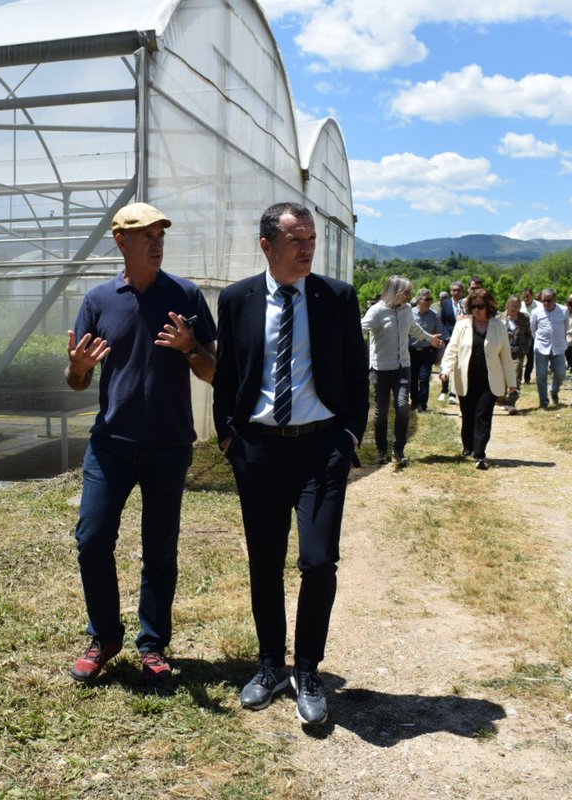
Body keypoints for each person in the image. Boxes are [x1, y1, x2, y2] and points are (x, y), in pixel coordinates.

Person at [213, 201, 368, 726]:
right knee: (265, 562)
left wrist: (348, 436)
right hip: (257, 449)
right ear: (267, 245)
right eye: (296, 240)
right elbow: (228, 376)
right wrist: (229, 438)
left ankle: (307, 669)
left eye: (311, 240)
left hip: (320, 447)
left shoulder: (336, 297)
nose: (307, 249)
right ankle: (269, 665)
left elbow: (354, 370)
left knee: (318, 560)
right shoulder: (236, 299)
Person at [65, 202, 217, 686]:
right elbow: (75, 380)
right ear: (121, 242)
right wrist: (80, 367)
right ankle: (105, 637)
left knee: (160, 550)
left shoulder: (186, 296)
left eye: (160, 235)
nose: (155, 243)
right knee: (92, 540)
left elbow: (216, 372)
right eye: (144, 235)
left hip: (169, 445)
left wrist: (191, 347)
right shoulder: (99, 300)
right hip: (110, 444)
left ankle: (152, 644)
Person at [362, 276, 444, 464]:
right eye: (406, 292)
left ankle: (399, 450)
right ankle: (382, 450)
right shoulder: (376, 311)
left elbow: (413, 329)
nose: (410, 296)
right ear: (395, 291)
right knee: (381, 411)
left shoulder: (407, 310)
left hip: (402, 367)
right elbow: (361, 329)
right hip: (380, 369)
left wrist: (430, 338)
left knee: (402, 407)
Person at [440, 288, 516, 470]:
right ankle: (468, 447)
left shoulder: (499, 326)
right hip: (466, 378)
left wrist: (512, 383)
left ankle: (480, 453)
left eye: (480, 306)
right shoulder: (462, 325)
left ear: (488, 306)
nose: (476, 310)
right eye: (472, 306)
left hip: (489, 381)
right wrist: (445, 370)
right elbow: (452, 349)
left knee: (483, 415)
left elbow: (506, 356)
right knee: (468, 416)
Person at [530, 288, 568, 409]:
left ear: (555, 300)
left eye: (549, 301)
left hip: (558, 346)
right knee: (541, 375)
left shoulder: (564, 310)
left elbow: (565, 327)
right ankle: (544, 401)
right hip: (541, 346)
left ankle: (554, 390)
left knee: (560, 372)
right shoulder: (536, 312)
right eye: (543, 301)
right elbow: (533, 329)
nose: (546, 303)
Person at [409, 289, 442, 413]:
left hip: (427, 352)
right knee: (413, 378)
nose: (429, 302)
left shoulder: (434, 315)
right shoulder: (410, 314)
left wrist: (439, 353)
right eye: (426, 299)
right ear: (419, 300)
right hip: (411, 351)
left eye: (430, 299)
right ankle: (414, 402)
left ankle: (422, 405)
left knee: (424, 379)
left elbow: (438, 334)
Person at [501, 295, 531, 414]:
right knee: (501, 378)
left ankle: (511, 402)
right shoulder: (499, 317)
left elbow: (528, 334)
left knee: (516, 377)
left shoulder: (524, 318)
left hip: (517, 352)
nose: (515, 308)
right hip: (502, 353)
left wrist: (525, 348)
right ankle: (501, 399)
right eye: (513, 305)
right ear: (507, 304)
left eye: (518, 305)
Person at [438, 281, 465, 402]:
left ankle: (454, 393)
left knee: (459, 366)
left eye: (458, 290)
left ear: (462, 291)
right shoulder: (445, 304)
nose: (455, 292)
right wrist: (446, 336)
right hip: (448, 338)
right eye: (453, 290)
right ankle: (444, 391)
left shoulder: (467, 303)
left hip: (463, 339)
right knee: (446, 364)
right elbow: (441, 322)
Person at [520, 287, 538, 384]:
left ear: (532, 296)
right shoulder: (520, 305)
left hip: (532, 334)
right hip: (521, 335)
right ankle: (517, 378)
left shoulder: (538, 306)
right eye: (524, 297)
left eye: (527, 297)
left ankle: (527, 378)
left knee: (530, 358)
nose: (526, 299)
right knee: (519, 357)